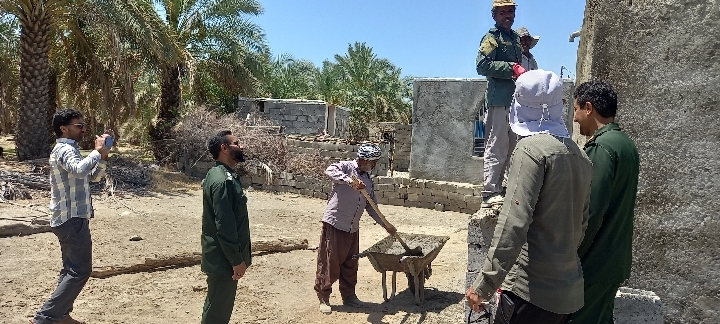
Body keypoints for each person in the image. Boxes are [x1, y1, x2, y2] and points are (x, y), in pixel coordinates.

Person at [466, 70, 593, 324]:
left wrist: (484, 285)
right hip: (565, 296)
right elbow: (581, 225)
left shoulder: (530, 150)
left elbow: (514, 222)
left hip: (530, 295)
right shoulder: (580, 157)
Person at [32, 109, 112, 324]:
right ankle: (46, 317)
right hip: (71, 219)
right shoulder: (64, 150)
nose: (83, 129)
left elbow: (93, 178)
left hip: (72, 217)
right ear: (63, 128)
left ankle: (61, 314)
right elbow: (78, 170)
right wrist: (96, 151)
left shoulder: (71, 150)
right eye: (79, 125)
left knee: (70, 270)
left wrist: (102, 156)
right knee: (80, 271)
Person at [570, 80, 640, 324]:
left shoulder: (601, 148)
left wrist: (571, 256)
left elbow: (591, 212)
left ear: (588, 108)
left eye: (576, 109)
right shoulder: (625, 144)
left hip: (594, 263)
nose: (575, 118)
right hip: (613, 260)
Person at [314, 143, 397, 314]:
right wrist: (350, 181)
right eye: (373, 162)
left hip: (353, 228)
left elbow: (371, 206)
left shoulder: (368, 180)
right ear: (364, 159)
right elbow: (330, 171)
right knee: (330, 262)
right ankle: (324, 296)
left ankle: (349, 297)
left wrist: (386, 225)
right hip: (336, 224)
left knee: (351, 263)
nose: (374, 165)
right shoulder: (346, 167)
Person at [476, 0, 527, 208]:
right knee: (497, 146)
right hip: (499, 101)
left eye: (510, 12)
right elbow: (481, 65)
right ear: (494, 15)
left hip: (515, 101)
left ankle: (503, 187)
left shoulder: (514, 38)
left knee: (512, 147)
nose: (507, 16)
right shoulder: (492, 37)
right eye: (503, 12)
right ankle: (489, 192)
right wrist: (511, 67)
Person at [200, 130, 251, 324]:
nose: (242, 146)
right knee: (217, 312)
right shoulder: (222, 181)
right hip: (224, 259)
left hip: (222, 257)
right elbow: (225, 225)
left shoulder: (220, 174)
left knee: (217, 306)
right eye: (237, 143)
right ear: (224, 148)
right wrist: (236, 259)